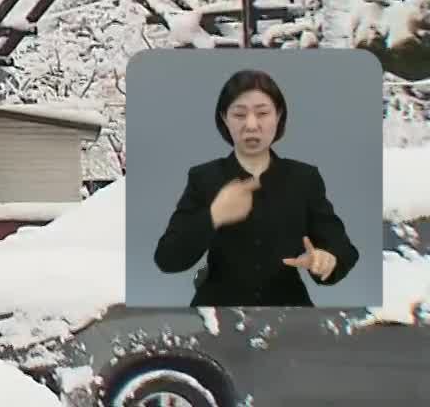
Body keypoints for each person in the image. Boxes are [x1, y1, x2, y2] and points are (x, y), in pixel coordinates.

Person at [152, 68, 358, 306]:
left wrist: (327, 259)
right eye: (239, 115)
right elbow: (167, 258)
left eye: (262, 113)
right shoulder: (204, 177)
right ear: (223, 118)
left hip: (290, 314)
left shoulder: (304, 178)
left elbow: (343, 248)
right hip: (219, 314)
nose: (251, 125)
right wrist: (214, 215)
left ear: (278, 115)